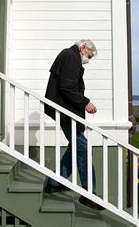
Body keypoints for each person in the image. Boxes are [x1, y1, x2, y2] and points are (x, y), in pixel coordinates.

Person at [43, 40, 104, 211]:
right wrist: (85, 103)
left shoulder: (69, 56)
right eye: (89, 56)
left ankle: (55, 183)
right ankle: (89, 194)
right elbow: (67, 87)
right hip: (66, 112)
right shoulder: (71, 56)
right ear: (83, 48)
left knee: (75, 147)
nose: (88, 60)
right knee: (82, 148)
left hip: (66, 112)